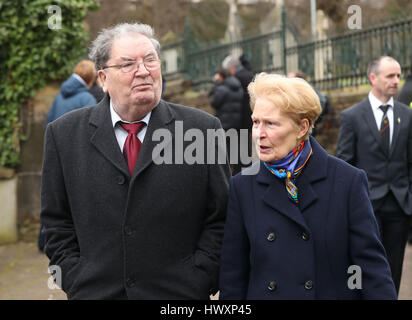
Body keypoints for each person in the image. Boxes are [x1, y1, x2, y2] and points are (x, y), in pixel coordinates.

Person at [40, 22, 231, 300]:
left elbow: (221, 217)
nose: (143, 71)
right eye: (128, 64)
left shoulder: (202, 130)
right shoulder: (63, 135)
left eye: (150, 60)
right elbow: (56, 223)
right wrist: (76, 278)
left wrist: (199, 278)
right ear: (103, 79)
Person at [219, 73, 396, 299]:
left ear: (302, 128)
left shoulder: (347, 181)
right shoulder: (242, 186)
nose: (259, 134)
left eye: (271, 123)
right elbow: (233, 277)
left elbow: (372, 271)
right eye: (255, 122)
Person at [337, 56, 412, 295]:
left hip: (399, 206)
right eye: (390, 76)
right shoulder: (352, 116)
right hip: (365, 204)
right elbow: (345, 163)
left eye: (398, 76)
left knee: (393, 269)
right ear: (373, 78)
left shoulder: (406, 115)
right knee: (363, 267)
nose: (396, 81)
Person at [38, 60, 97, 252]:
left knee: (55, 202)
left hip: (58, 155)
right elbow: (95, 130)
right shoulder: (87, 99)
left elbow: (49, 123)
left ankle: (44, 242)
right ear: (91, 79)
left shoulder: (59, 96)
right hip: (80, 158)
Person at [222, 54, 255, 169]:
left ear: (231, 68)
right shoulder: (250, 74)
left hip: (241, 119)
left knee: (241, 150)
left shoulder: (237, 78)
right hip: (252, 116)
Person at [210, 68, 244, 175]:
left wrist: (215, 86)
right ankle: (238, 170)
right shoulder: (239, 87)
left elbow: (214, 103)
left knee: (224, 148)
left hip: (224, 123)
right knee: (236, 147)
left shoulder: (222, 88)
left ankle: (225, 172)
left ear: (221, 76)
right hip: (236, 122)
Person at [287, 70, 330, 137]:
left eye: (290, 79)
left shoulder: (307, 90)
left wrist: (313, 118)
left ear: (298, 80)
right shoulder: (295, 91)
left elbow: (322, 101)